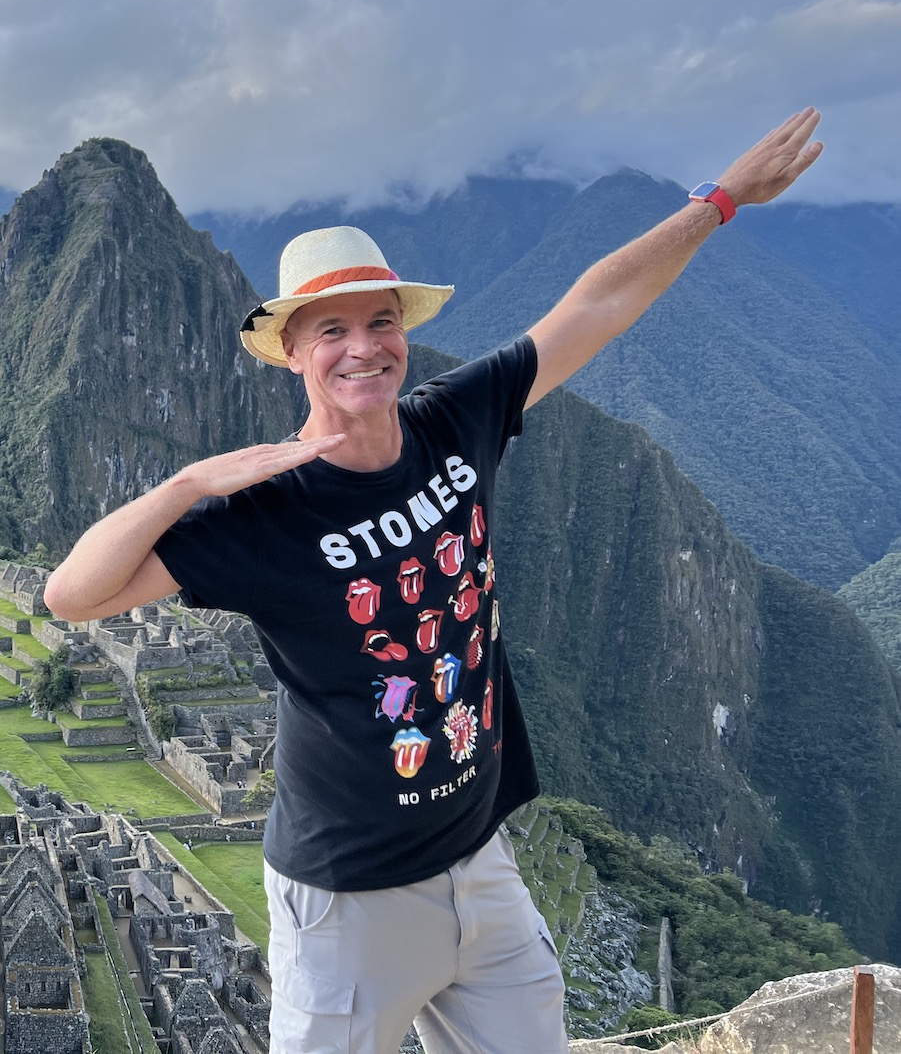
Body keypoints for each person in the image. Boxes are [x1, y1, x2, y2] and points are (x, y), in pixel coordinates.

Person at [43, 109, 825, 1054]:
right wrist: (186, 483)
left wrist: (720, 201)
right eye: (330, 329)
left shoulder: (456, 421)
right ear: (292, 351)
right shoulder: (260, 514)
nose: (362, 346)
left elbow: (594, 308)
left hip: (478, 860)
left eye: (381, 321)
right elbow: (73, 596)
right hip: (347, 897)